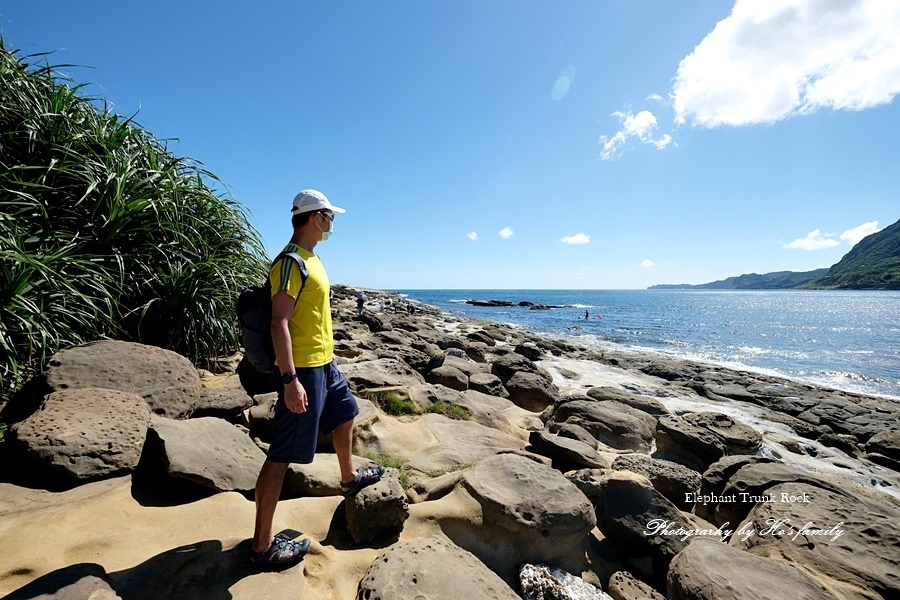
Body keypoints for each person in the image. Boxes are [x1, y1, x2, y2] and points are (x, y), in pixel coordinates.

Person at [250, 189, 384, 566]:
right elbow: (279, 323)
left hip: (325, 364)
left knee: (346, 412)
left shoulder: (313, 259)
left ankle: (348, 477)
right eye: (330, 216)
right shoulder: (291, 263)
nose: (332, 223)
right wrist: (290, 380)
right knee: (280, 456)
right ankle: (261, 546)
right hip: (303, 369)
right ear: (314, 217)